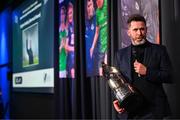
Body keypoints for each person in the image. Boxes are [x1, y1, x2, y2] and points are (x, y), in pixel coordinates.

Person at [113, 14, 172, 119]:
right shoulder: (120, 55)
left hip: (152, 111)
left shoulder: (159, 50)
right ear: (129, 32)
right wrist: (117, 100)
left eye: (142, 29)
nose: (139, 33)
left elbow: (169, 76)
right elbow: (117, 81)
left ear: (146, 29)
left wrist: (147, 72)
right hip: (129, 110)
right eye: (135, 30)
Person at [90, 0, 108, 76]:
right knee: (100, 70)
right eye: (95, 2)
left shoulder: (107, 4)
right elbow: (97, 32)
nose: (97, 3)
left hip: (108, 43)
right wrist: (92, 47)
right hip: (102, 44)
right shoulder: (97, 12)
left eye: (98, 1)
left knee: (106, 65)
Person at [85, 0, 99, 76]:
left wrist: (92, 49)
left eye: (90, 5)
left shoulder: (97, 18)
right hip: (89, 62)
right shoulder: (87, 22)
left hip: (97, 57)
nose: (88, 8)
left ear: (94, 6)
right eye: (87, 6)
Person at [66, 2, 75, 78]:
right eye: (68, 14)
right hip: (71, 59)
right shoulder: (68, 28)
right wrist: (74, 49)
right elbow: (66, 46)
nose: (69, 15)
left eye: (71, 13)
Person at [59, 6, 67, 78]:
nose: (62, 15)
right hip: (59, 68)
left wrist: (65, 46)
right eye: (61, 14)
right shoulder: (57, 32)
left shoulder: (67, 31)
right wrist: (61, 46)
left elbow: (69, 52)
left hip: (66, 67)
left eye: (64, 13)